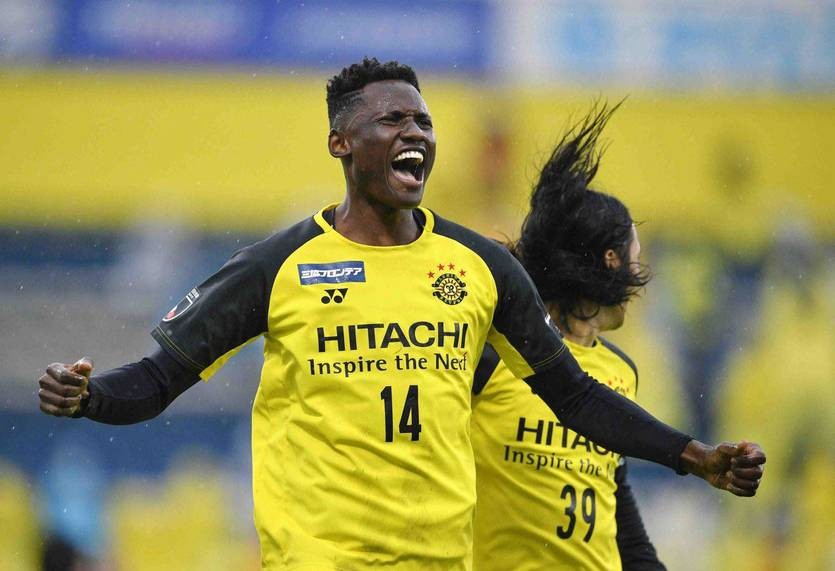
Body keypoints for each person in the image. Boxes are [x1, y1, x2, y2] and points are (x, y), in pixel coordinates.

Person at [37, 58, 765, 570]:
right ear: (340, 142)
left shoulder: (480, 268)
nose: (415, 132)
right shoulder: (278, 266)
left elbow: (574, 397)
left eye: (423, 121)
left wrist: (692, 456)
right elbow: (159, 378)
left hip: (439, 560)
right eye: (392, 119)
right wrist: (90, 396)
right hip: (321, 558)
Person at [471, 103, 666, 570]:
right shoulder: (491, 356)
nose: (640, 275)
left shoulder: (621, 371)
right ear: (610, 262)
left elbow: (617, 508)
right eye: (634, 255)